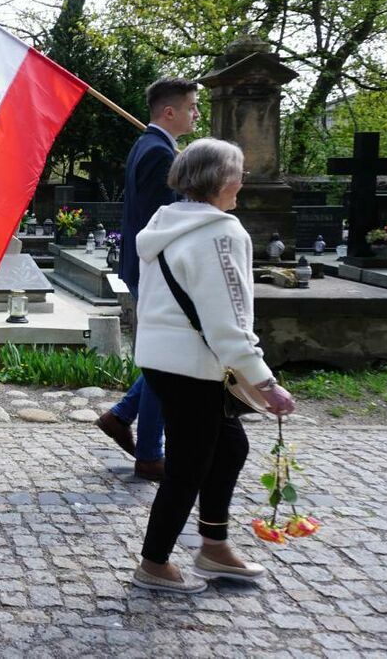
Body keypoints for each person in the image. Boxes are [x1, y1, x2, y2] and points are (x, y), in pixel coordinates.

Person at [130, 138, 295, 594]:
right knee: (188, 467)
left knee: (228, 448)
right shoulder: (222, 233)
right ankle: (154, 563)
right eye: (239, 172)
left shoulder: (167, 223)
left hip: (166, 361)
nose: (242, 180)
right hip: (194, 368)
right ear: (222, 180)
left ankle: (214, 545)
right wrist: (266, 383)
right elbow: (229, 319)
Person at [96, 78, 200, 481]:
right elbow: (164, 219)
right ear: (168, 111)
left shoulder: (153, 146)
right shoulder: (158, 152)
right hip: (158, 271)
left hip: (151, 269)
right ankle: (150, 454)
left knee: (163, 359)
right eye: (191, 106)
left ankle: (121, 416)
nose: (195, 113)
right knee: (165, 362)